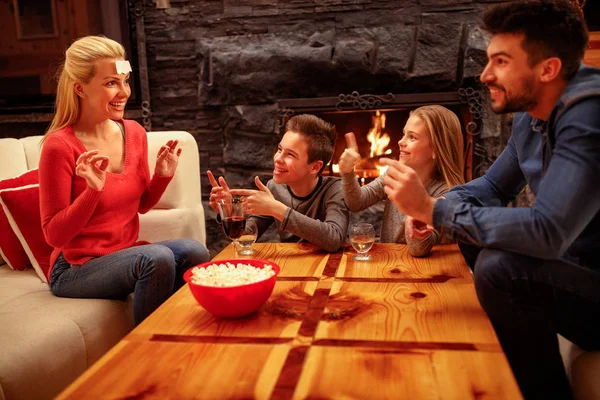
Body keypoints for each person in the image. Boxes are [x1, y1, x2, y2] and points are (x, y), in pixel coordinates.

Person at [379, 1, 600, 398]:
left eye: (500, 61)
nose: (485, 75)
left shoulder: (589, 114)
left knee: (501, 266)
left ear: (547, 69)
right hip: (570, 271)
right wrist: (443, 206)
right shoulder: (531, 118)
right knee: (471, 231)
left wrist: (434, 208)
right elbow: (494, 188)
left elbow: (549, 231)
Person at [39, 35, 210, 326]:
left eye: (125, 81)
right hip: (75, 268)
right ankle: (146, 352)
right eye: (110, 83)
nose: (124, 92)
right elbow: (54, 236)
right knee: (155, 258)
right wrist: (92, 191)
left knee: (195, 250)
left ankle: (182, 334)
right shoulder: (59, 147)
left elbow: (142, 205)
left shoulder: (133, 132)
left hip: (124, 255)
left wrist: (163, 176)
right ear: (80, 88)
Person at [207, 114, 349, 252]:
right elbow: (246, 237)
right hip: (291, 265)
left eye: (290, 154)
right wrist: (230, 213)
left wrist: (277, 209)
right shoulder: (274, 188)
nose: (277, 158)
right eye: (280, 149)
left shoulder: (336, 189)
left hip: (330, 268)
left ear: (315, 167)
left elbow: (334, 239)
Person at [339, 105, 464, 257]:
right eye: (404, 134)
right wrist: (347, 172)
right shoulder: (393, 175)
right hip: (390, 263)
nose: (400, 142)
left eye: (412, 137)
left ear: (435, 150)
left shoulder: (447, 193)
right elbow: (356, 202)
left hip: (429, 273)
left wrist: (415, 202)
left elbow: (419, 250)